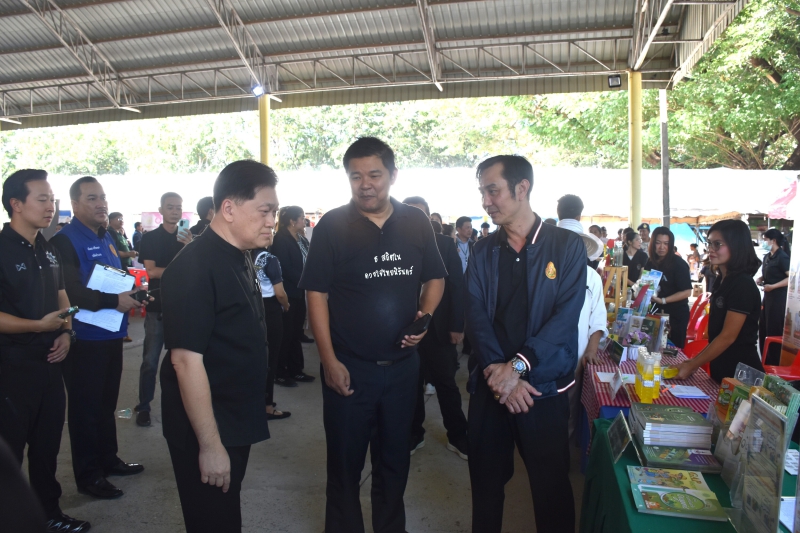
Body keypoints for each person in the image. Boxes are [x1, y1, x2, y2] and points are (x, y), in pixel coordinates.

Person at [299, 137, 446, 533]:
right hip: (350, 369)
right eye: (356, 176)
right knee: (344, 468)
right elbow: (316, 294)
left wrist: (425, 317)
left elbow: (435, 277)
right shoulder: (332, 226)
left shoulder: (415, 222)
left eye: (375, 175)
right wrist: (329, 361)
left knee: (394, 463)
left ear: (393, 175)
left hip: (402, 370)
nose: (365, 185)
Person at [465, 155, 585, 533]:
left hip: (542, 389)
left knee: (551, 489)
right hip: (491, 385)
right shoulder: (483, 250)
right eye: (482, 192)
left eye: (493, 191)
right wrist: (496, 372)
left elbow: (565, 318)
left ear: (522, 188)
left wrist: (517, 368)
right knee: (485, 485)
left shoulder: (566, 246)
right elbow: (475, 316)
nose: (486, 201)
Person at [159, 160, 278, 533]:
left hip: (232, 416)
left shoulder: (238, 255)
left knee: (225, 516)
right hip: (208, 426)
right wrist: (210, 446)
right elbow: (185, 362)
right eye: (264, 211)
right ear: (228, 208)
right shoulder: (194, 267)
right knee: (213, 521)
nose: (272, 221)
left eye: (274, 212)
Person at [0, 169, 90, 532]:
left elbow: (61, 294)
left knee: (47, 444)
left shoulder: (48, 248)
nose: (50, 206)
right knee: (10, 450)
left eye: (52, 200)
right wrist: (37, 326)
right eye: (42, 199)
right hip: (12, 366)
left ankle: (48, 514)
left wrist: (66, 331)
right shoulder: (2, 250)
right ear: (16, 204)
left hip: (50, 363)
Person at [50, 176, 146, 500]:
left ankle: (108, 459)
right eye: (92, 198)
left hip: (110, 333)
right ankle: (89, 475)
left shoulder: (106, 236)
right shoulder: (65, 241)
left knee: (106, 405)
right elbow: (70, 291)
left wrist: (132, 292)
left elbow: (113, 277)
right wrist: (113, 300)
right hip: (84, 338)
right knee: (85, 410)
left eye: (103, 197)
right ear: (75, 204)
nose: (101, 204)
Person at [404, 196, 469, 460]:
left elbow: (457, 287)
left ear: (429, 218)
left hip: (439, 330)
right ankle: (414, 433)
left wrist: (457, 325)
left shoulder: (444, 244)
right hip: (406, 331)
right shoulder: (393, 244)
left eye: (420, 214)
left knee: (446, 384)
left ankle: (458, 435)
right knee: (411, 386)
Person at [675, 220, 764, 382]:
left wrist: (693, 365)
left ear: (736, 246)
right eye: (710, 243)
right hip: (722, 368)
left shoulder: (742, 284)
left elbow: (727, 336)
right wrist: (692, 361)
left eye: (718, 244)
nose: (711, 249)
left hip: (742, 374)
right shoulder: (722, 279)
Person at [134, 192, 193, 427]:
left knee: (182, 361)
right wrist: (178, 271)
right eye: (170, 207)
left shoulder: (188, 238)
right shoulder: (150, 239)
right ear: (161, 210)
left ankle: (182, 406)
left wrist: (189, 247)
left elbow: (195, 269)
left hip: (183, 306)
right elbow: (151, 271)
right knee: (150, 361)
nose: (175, 211)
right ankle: (144, 406)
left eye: (178, 207)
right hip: (157, 306)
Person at [556, 207, 608, 445]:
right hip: (544, 354)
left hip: (577, 353)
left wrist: (592, 349)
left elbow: (598, 317)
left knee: (570, 403)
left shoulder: (592, 277)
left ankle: (563, 448)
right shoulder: (542, 273)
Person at [270, 205, 315, 387]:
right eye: (302, 217)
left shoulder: (300, 238)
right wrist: (305, 280)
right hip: (288, 292)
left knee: (296, 332)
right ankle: (281, 372)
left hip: (299, 291)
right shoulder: (281, 239)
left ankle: (296, 370)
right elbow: (285, 268)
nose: (304, 220)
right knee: (286, 334)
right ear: (292, 221)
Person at [252, 246, 291, 420]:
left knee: (257, 358)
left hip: (253, 307)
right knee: (271, 358)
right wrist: (286, 305)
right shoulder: (270, 259)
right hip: (271, 309)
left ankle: (256, 401)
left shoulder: (245, 256)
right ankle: (267, 406)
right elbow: (280, 293)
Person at [645, 227, 692, 348]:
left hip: (676, 315)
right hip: (654, 312)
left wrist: (663, 300)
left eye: (666, 243)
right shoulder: (650, 262)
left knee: (673, 349)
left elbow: (687, 292)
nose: (662, 247)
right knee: (652, 347)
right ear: (652, 244)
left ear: (670, 245)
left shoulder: (679, 264)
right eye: (658, 243)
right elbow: (645, 284)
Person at [758, 229, 791, 365]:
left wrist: (773, 286)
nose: (764, 242)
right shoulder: (767, 257)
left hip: (778, 298)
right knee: (763, 328)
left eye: (765, 240)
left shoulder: (782, 257)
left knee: (774, 329)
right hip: (767, 297)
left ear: (774, 241)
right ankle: (765, 360)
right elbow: (769, 273)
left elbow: (790, 278)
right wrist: (761, 278)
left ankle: (774, 362)